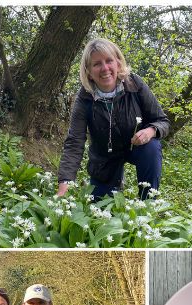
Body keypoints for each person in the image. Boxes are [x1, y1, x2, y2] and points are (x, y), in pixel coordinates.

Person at [57, 37, 170, 200]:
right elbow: (74, 142)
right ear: (88, 71)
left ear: (118, 62)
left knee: (151, 147)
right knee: (100, 209)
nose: (105, 68)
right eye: (97, 64)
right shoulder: (84, 98)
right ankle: (112, 185)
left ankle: (148, 202)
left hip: (136, 147)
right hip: (104, 159)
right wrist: (65, 183)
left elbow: (162, 121)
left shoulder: (135, 84)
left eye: (109, 61)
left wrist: (151, 130)